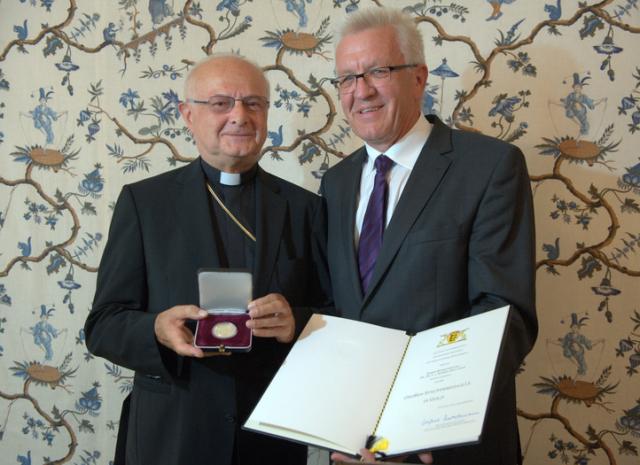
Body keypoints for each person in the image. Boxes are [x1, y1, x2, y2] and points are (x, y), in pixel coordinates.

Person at [84, 54, 330, 465]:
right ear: (187, 114)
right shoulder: (145, 204)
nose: (239, 115)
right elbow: (103, 325)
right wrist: (156, 329)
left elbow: (335, 312)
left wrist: (296, 322)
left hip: (268, 438)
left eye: (253, 103)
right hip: (172, 434)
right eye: (220, 103)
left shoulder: (305, 208)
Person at [321, 8, 537, 465]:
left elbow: (503, 314)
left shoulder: (489, 166)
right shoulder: (335, 184)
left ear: (418, 78)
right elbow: (338, 311)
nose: (361, 91)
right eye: (347, 79)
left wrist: (415, 426)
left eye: (378, 71)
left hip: (446, 445)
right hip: (355, 443)